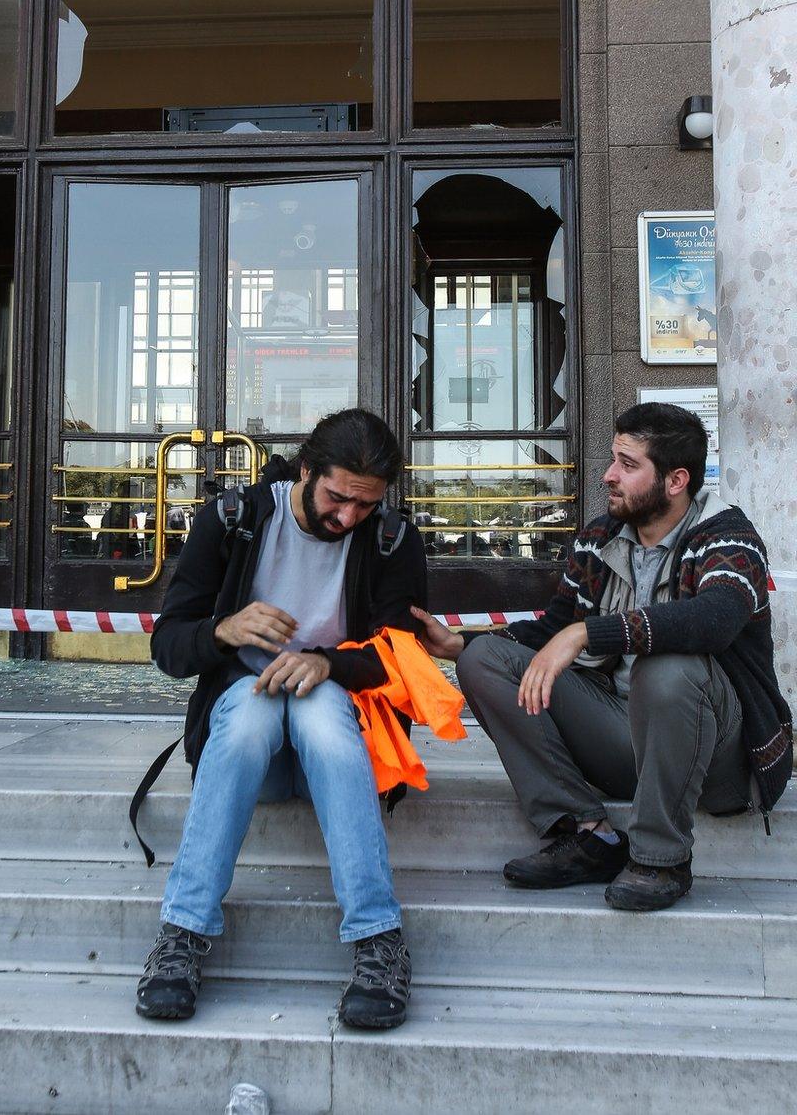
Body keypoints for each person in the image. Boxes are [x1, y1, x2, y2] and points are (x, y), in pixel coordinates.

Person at [413, 402, 793, 911]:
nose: (610, 475)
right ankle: (588, 832)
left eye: (628, 465)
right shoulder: (599, 539)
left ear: (676, 480)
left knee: (667, 663)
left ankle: (661, 859)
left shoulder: (728, 536)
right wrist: (458, 643)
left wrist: (590, 633)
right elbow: (551, 630)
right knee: (484, 660)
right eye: (614, 459)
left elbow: (714, 620)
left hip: (718, 758)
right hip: (624, 735)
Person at [138, 408, 428, 1026]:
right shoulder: (234, 520)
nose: (348, 517)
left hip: (342, 738)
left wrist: (329, 664)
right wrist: (223, 630)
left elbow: (402, 654)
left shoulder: (391, 539)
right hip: (252, 741)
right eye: (337, 498)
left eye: (365, 505)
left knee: (320, 710)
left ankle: (378, 940)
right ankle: (183, 934)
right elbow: (168, 646)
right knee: (247, 713)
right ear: (305, 470)